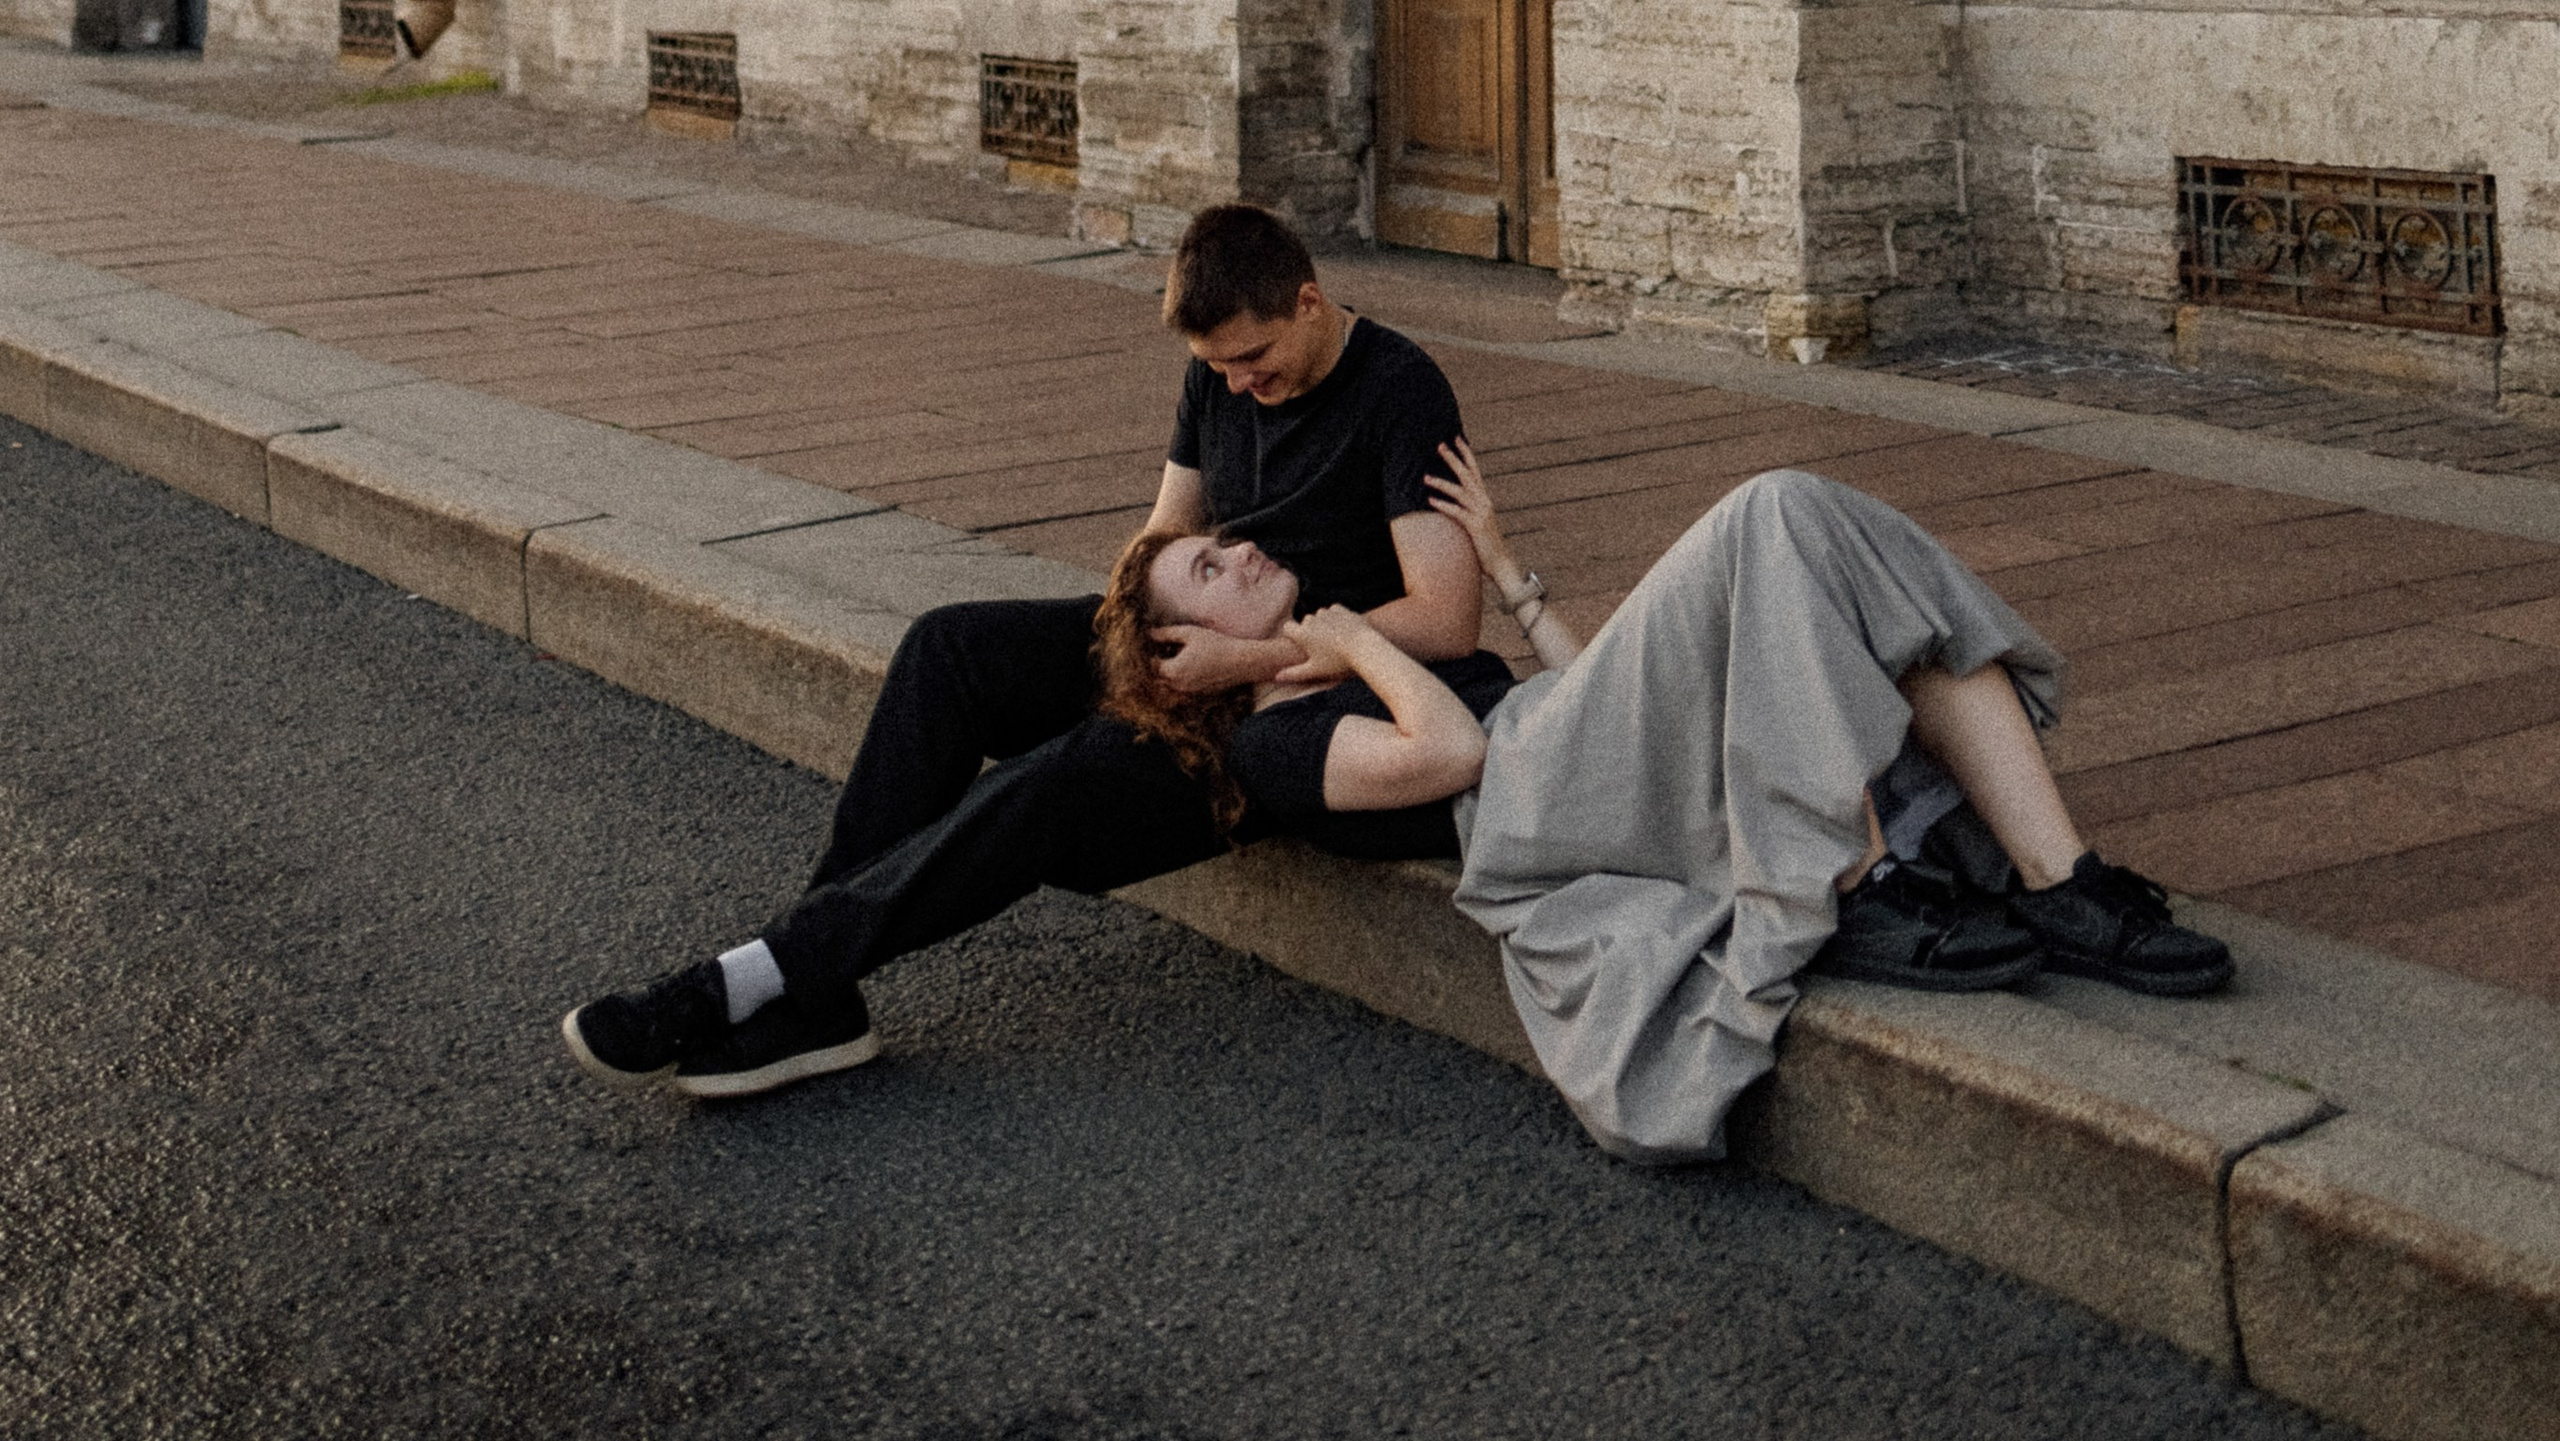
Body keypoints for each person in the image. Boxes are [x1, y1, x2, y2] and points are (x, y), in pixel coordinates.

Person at [562, 201, 1494, 1100]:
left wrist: (1239, 662)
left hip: (1302, 691)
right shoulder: (1219, 369)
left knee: (1064, 779)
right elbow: (1169, 531)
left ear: (1308, 301)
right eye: (1218, 367)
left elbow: (1446, 619)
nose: (1240, 383)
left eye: (1255, 359)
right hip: (1205, 621)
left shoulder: (1398, 389)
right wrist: (1140, 624)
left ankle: (756, 975)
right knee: (951, 648)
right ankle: (815, 983)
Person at [1091, 442, 2233, 1169]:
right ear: (1177, 647)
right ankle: (1858, 885)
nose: (1237, 553)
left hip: (1574, 749)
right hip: (1528, 802)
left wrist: (1509, 575)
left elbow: (1574, 691)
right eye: (1207, 570)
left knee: (1842, 567)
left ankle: (2066, 886)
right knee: (1770, 511)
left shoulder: (1333, 672)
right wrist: (1335, 636)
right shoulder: (1277, 747)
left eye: (1226, 542)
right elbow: (1453, 756)